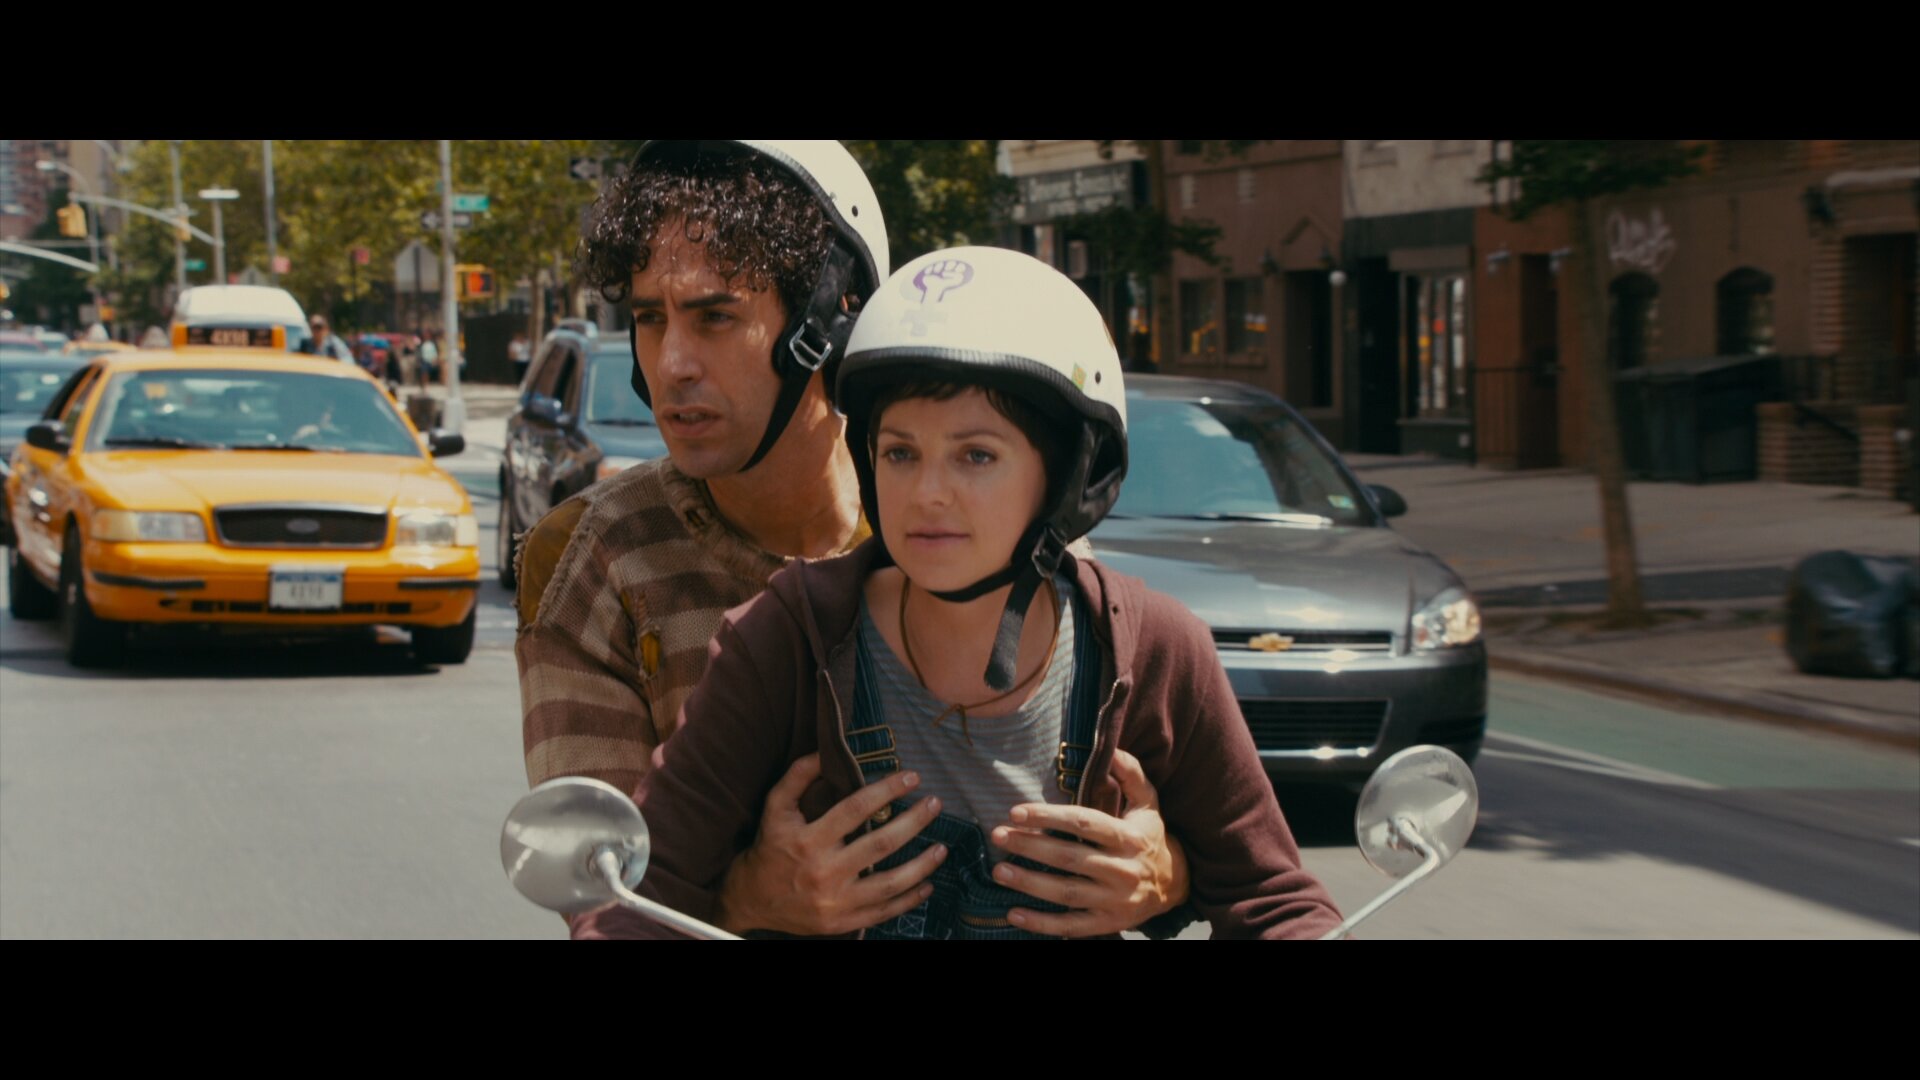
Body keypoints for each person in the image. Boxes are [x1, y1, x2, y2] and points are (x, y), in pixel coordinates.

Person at [518, 141, 1193, 938]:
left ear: (829, 317)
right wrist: (748, 902)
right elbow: (605, 894)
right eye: (647, 319)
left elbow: (1229, 843)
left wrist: (1167, 873)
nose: (671, 365)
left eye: (715, 317)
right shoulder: (589, 555)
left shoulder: (972, 528)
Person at [572, 246, 1344, 940]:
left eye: (976, 456)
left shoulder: (1155, 650)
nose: (928, 493)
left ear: (1067, 476)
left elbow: (1276, 899)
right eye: (900, 453)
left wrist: (1171, 881)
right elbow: (639, 895)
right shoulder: (786, 637)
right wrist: (748, 899)